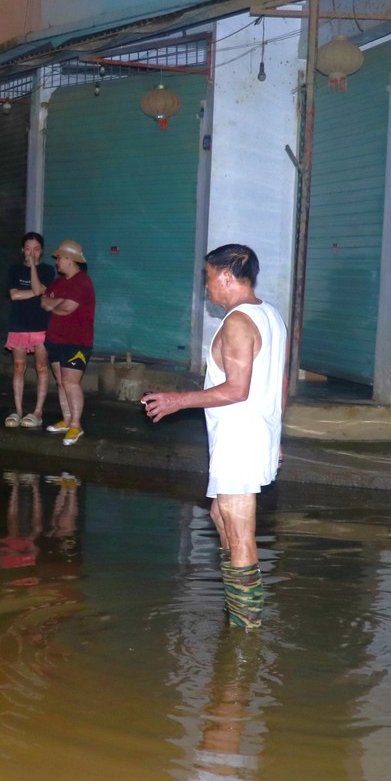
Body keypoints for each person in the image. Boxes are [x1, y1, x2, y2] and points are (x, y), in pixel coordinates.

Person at [140, 244, 289, 631]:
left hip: (240, 439)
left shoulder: (239, 323)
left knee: (240, 536)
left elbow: (237, 389)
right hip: (251, 435)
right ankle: (236, 607)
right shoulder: (270, 315)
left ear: (225, 275)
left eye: (208, 278)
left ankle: (246, 630)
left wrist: (178, 400)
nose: (206, 288)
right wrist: (276, 435)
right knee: (219, 514)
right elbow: (281, 383)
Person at [40, 240, 95, 446]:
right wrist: (57, 304)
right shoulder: (59, 282)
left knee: (71, 383)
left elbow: (67, 308)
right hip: (55, 339)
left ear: (71, 260)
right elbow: (44, 301)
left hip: (77, 342)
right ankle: (67, 420)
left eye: (60, 258)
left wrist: (55, 305)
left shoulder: (83, 282)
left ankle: (76, 425)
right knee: (61, 382)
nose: (57, 262)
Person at [3, 233, 56, 428]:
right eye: (27, 248)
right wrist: (34, 292)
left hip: (41, 326)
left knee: (42, 367)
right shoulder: (14, 269)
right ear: (22, 250)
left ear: (41, 251)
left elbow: (40, 289)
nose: (31, 252)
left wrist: (33, 267)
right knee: (19, 367)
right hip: (18, 325)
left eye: (35, 249)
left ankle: (37, 412)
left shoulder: (48, 270)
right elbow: (14, 295)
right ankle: (17, 410)